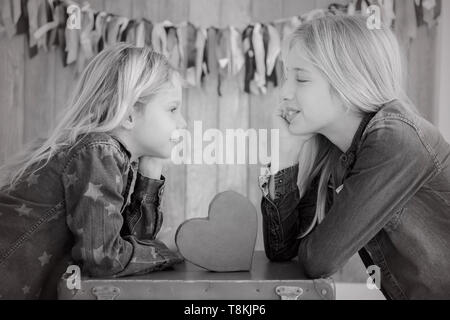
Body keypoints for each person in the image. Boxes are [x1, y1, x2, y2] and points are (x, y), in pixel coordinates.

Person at [259, 15, 450, 299]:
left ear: (347, 82)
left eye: (301, 78)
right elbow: (284, 251)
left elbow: (318, 260)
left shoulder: (396, 138)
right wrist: (284, 154)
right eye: (287, 77)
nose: (285, 92)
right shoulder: (337, 152)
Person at [0, 43, 186, 299]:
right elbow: (105, 259)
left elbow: (130, 246)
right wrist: (171, 252)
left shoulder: (109, 154)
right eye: (173, 109)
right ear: (130, 115)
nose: (183, 122)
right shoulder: (98, 152)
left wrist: (151, 170)